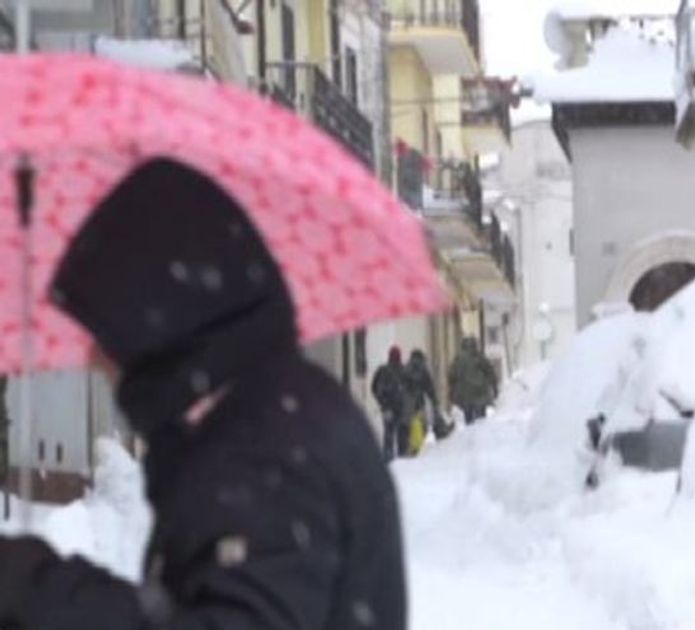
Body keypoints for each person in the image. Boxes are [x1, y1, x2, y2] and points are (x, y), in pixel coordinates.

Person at [0, 159, 406, 629]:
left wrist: (31, 588)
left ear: (161, 312)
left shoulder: (265, 450)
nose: (93, 354)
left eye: (108, 326)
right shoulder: (276, 416)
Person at [372, 346, 411, 459]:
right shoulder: (404, 370)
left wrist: (381, 402)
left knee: (388, 432)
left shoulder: (382, 370)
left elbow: (373, 387)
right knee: (402, 433)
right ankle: (402, 454)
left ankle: (388, 456)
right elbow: (410, 389)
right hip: (401, 407)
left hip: (387, 407)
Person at [448, 337, 497, 425]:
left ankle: (471, 436)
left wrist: (452, 392)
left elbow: (452, 376)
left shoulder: (458, 359)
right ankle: (479, 437)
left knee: (469, 421)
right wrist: (494, 387)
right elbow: (490, 371)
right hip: (480, 394)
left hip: (466, 396)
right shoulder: (479, 356)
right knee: (481, 421)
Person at [405, 349, 451, 444]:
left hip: (407, 403)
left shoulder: (406, 368)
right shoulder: (423, 369)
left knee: (409, 425)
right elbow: (429, 387)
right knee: (421, 425)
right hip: (418, 402)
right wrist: (434, 401)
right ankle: (417, 443)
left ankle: (409, 444)